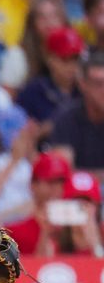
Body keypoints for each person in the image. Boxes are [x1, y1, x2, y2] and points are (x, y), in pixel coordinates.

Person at [50, 50, 104, 183]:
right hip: (80, 194)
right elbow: (63, 174)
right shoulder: (67, 118)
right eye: (98, 84)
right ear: (83, 84)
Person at [5, 151, 71, 255]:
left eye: (61, 182)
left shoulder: (74, 228)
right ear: (33, 185)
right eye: (50, 182)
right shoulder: (15, 231)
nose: (57, 188)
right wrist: (45, 234)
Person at [16, 27, 83, 127]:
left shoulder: (86, 90)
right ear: (50, 59)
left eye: (76, 58)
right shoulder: (33, 91)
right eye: (65, 59)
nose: (72, 66)